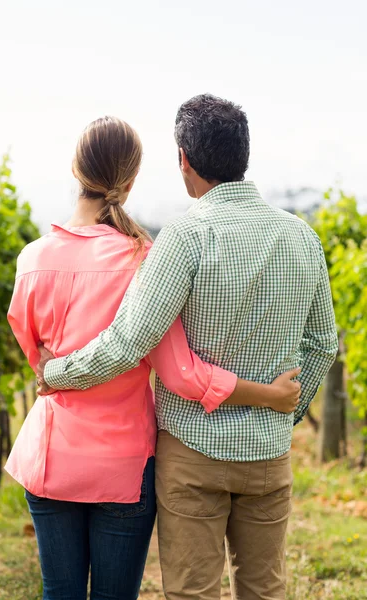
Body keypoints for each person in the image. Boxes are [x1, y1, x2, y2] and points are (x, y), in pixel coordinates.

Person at [38, 96, 338, 600]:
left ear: (184, 160)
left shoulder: (185, 236)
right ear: (243, 153)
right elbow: (323, 344)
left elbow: (131, 339)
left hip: (193, 455)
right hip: (268, 456)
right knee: (265, 590)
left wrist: (58, 372)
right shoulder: (301, 238)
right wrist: (284, 410)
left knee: (193, 593)